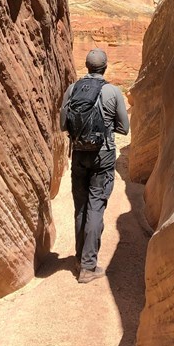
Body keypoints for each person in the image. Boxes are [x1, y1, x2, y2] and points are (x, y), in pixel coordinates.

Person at [60, 48, 129, 283]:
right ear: (105, 67)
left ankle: (80, 259)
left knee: (81, 207)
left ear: (87, 67)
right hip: (103, 156)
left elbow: (62, 125)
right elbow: (125, 128)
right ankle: (89, 267)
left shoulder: (73, 89)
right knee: (95, 207)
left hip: (79, 154)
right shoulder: (113, 91)